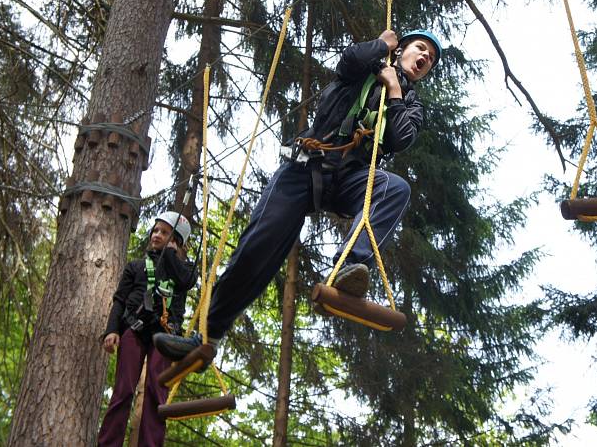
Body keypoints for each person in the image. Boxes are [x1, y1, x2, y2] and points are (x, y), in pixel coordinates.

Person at [153, 29, 442, 365]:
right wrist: (382, 45)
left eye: (431, 59)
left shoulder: (410, 103)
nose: (424, 59)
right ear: (403, 48)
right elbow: (349, 59)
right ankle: (207, 335)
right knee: (258, 246)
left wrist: (394, 89)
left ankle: (350, 269)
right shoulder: (365, 67)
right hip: (305, 169)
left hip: (349, 178)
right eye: (420, 49)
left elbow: (400, 138)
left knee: (395, 188)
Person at [98, 211, 196, 447]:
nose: (156, 235)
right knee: (123, 390)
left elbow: (184, 281)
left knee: (156, 394)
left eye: (164, 232)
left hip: (165, 335)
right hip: (135, 327)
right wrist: (113, 330)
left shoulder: (185, 270)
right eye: (155, 230)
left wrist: (172, 253)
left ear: (177, 241)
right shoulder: (136, 266)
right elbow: (120, 300)